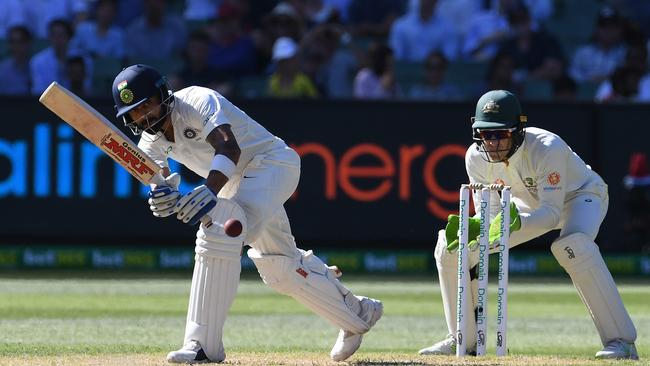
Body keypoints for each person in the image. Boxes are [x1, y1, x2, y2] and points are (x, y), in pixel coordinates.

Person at [110, 64, 382, 363]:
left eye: (147, 104)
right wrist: (159, 194)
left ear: (162, 94)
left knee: (218, 231)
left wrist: (209, 190)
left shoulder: (197, 100)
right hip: (234, 186)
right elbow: (158, 177)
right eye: (135, 112)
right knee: (280, 269)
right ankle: (357, 313)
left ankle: (202, 345)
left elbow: (228, 147)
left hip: (271, 165)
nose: (143, 115)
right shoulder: (151, 139)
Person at [418, 90, 638, 360]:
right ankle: (464, 339)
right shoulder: (475, 157)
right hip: (523, 206)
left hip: (580, 196)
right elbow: (490, 214)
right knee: (451, 247)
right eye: (486, 135)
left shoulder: (547, 147)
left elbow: (551, 213)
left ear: (518, 131)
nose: (493, 143)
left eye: (500, 134)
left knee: (572, 246)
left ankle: (622, 342)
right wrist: (477, 230)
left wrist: (512, 223)